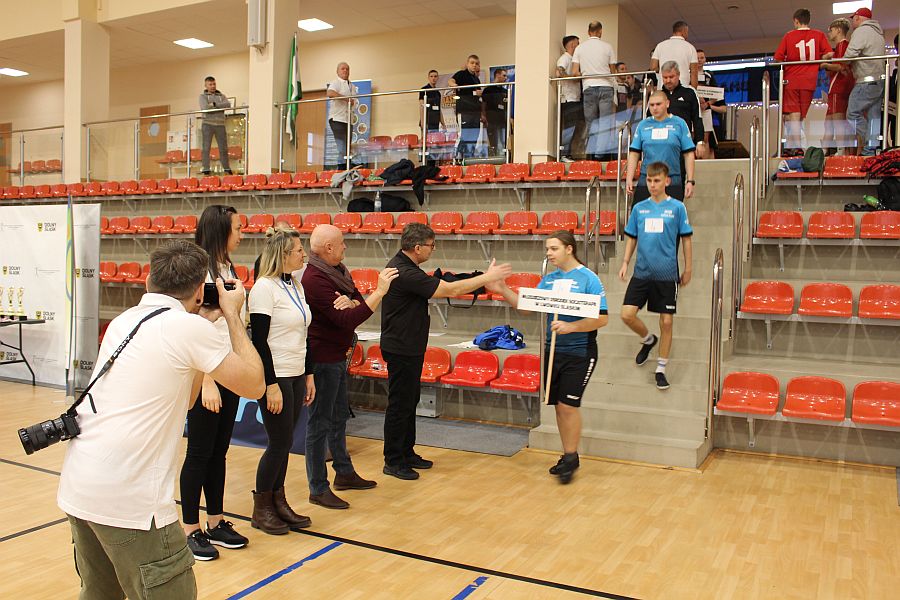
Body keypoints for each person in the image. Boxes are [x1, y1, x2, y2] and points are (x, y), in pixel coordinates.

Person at [57, 240, 264, 599]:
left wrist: (201, 331)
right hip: (132, 500)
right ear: (200, 291)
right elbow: (255, 385)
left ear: (148, 280)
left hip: (80, 487)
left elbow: (187, 401)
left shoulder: (124, 321)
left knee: (100, 594)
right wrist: (232, 315)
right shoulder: (186, 328)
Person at [380, 223, 511, 480]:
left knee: (409, 401)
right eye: (431, 245)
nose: (433, 249)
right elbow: (449, 290)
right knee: (400, 405)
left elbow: (447, 283)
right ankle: (393, 460)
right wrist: (487, 277)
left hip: (409, 345)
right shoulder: (404, 272)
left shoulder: (407, 267)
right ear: (417, 247)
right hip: (401, 347)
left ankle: (406, 452)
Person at [487, 231, 608, 484]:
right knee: (559, 407)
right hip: (553, 350)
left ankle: (571, 457)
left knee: (568, 406)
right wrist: (502, 288)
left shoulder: (589, 278)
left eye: (553, 248)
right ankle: (568, 455)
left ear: (569, 249)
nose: (549, 253)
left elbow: (602, 318)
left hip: (580, 352)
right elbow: (527, 307)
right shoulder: (549, 279)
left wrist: (572, 326)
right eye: (547, 249)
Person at [301, 225, 398, 508]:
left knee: (339, 417)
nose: (345, 247)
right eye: (341, 243)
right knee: (319, 424)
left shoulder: (338, 270)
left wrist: (354, 301)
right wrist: (379, 292)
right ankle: (318, 487)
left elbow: (356, 300)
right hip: (322, 359)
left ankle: (343, 472)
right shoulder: (314, 279)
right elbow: (347, 320)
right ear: (328, 248)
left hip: (337, 356)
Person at [179, 204, 249, 561]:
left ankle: (216, 520)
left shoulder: (228, 268)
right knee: (199, 452)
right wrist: (206, 379)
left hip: (228, 370)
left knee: (219, 451)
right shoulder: (198, 271)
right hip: (206, 375)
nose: (242, 234)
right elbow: (196, 328)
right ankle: (189, 528)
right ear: (221, 230)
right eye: (237, 228)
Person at [248, 228, 314, 535]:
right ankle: (261, 508)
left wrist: (309, 374)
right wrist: (270, 384)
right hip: (277, 375)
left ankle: (278, 500)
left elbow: (304, 334)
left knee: (285, 442)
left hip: (297, 372)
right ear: (283, 255)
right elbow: (259, 341)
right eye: (299, 250)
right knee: (278, 443)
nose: (304, 255)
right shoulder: (264, 288)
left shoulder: (295, 285)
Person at [619, 161, 693, 391]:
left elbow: (686, 239)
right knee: (627, 314)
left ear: (667, 181)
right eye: (649, 180)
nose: (652, 184)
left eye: (657, 180)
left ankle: (661, 368)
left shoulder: (677, 208)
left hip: (667, 275)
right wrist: (625, 262)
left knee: (667, 322)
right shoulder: (639, 208)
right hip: (642, 272)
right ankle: (648, 339)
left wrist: (688, 268)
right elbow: (632, 237)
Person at [773, 9, 831, 156]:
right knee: (800, 116)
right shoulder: (819, 35)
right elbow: (829, 53)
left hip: (792, 79)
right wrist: (818, 62)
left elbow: (778, 58)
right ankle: (795, 146)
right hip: (810, 80)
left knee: (793, 114)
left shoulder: (789, 35)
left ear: (796, 21)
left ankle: (797, 146)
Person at [627, 90, 696, 202]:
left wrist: (690, 181)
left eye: (658, 104)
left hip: (672, 180)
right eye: (652, 105)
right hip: (647, 181)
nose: (655, 108)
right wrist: (629, 178)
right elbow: (634, 153)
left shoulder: (680, 123)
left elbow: (688, 154)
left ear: (667, 104)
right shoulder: (643, 125)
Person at [571, 21, 617, 160]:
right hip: (606, 86)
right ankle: (600, 154)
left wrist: (585, 73)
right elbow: (613, 71)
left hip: (589, 86)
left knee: (591, 122)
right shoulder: (608, 47)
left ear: (588, 32)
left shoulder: (580, 48)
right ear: (600, 31)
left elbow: (574, 72)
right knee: (605, 122)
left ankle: (592, 154)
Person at [845, 8, 886, 156]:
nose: (853, 22)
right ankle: (871, 150)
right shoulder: (879, 33)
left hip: (865, 80)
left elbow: (850, 54)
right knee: (874, 117)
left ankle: (870, 141)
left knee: (852, 114)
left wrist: (842, 62)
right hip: (879, 80)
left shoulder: (861, 31)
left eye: (853, 19)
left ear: (858, 18)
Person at [821, 19, 855, 155]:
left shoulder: (843, 45)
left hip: (839, 88)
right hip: (836, 88)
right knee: (828, 123)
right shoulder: (839, 48)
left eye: (831, 30)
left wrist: (825, 64)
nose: (829, 33)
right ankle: (823, 152)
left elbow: (841, 66)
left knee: (838, 123)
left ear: (839, 30)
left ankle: (841, 150)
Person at [557, 35, 586, 162]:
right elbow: (559, 71)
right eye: (577, 44)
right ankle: (564, 154)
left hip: (575, 98)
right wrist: (572, 78)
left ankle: (568, 153)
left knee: (573, 127)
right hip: (568, 98)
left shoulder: (573, 60)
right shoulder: (565, 58)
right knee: (569, 127)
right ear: (572, 45)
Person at [449, 55, 484, 160]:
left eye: (476, 63)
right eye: (472, 63)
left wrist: (479, 94)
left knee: (474, 136)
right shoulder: (461, 74)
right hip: (464, 111)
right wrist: (454, 85)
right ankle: (458, 158)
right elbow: (451, 81)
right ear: (467, 63)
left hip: (475, 112)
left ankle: (469, 157)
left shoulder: (477, 79)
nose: (474, 65)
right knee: (464, 135)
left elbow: (477, 94)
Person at [696, 50, 727, 158]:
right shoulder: (689, 75)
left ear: (705, 59)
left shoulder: (709, 75)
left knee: (705, 138)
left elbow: (716, 94)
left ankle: (705, 161)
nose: (699, 60)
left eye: (702, 58)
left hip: (706, 109)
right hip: (693, 109)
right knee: (693, 136)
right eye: (697, 58)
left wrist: (708, 104)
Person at [326, 62, 358, 169]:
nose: (345, 71)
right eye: (343, 69)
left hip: (348, 120)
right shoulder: (336, 82)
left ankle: (347, 166)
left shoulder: (352, 86)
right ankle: (341, 167)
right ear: (337, 71)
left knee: (348, 146)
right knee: (342, 146)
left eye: (347, 69)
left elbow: (354, 101)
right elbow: (330, 93)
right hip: (337, 119)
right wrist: (346, 99)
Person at [199, 76, 233, 176]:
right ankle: (206, 169)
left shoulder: (222, 95)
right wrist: (218, 106)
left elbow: (228, 105)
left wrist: (214, 104)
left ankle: (226, 168)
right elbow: (205, 107)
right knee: (206, 148)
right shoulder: (202, 96)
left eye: (214, 84)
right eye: (210, 84)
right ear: (206, 85)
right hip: (207, 124)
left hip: (220, 124)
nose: (213, 86)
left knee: (223, 148)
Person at [650, 21, 699, 89]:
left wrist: (665, 70)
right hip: (683, 87)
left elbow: (653, 68)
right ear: (684, 31)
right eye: (687, 32)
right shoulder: (690, 47)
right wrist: (694, 91)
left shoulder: (660, 45)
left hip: (663, 87)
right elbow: (694, 73)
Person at [482, 69, 509, 157]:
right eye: (504, 75)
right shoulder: (488, 90)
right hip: (491, 120)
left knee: (504, 141)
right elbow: (483, 104)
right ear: (497, 75)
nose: (506, 78)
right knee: (493, 142)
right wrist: (483, 116)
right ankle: (493, 159)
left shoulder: (505, 91)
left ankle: (504, 158)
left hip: (503, 120)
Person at [419, 69, 445, 138]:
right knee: (426, 141)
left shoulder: (438, 93)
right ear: (428, 78)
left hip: (435, 122)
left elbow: (439, 109)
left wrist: (443, 123)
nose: (433, 78)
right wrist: (423, 124)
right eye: (431, 76)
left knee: (434, 141)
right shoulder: (424, 90)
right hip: (427, 122)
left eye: (435, 76)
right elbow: (422, 107)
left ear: (438, 78)